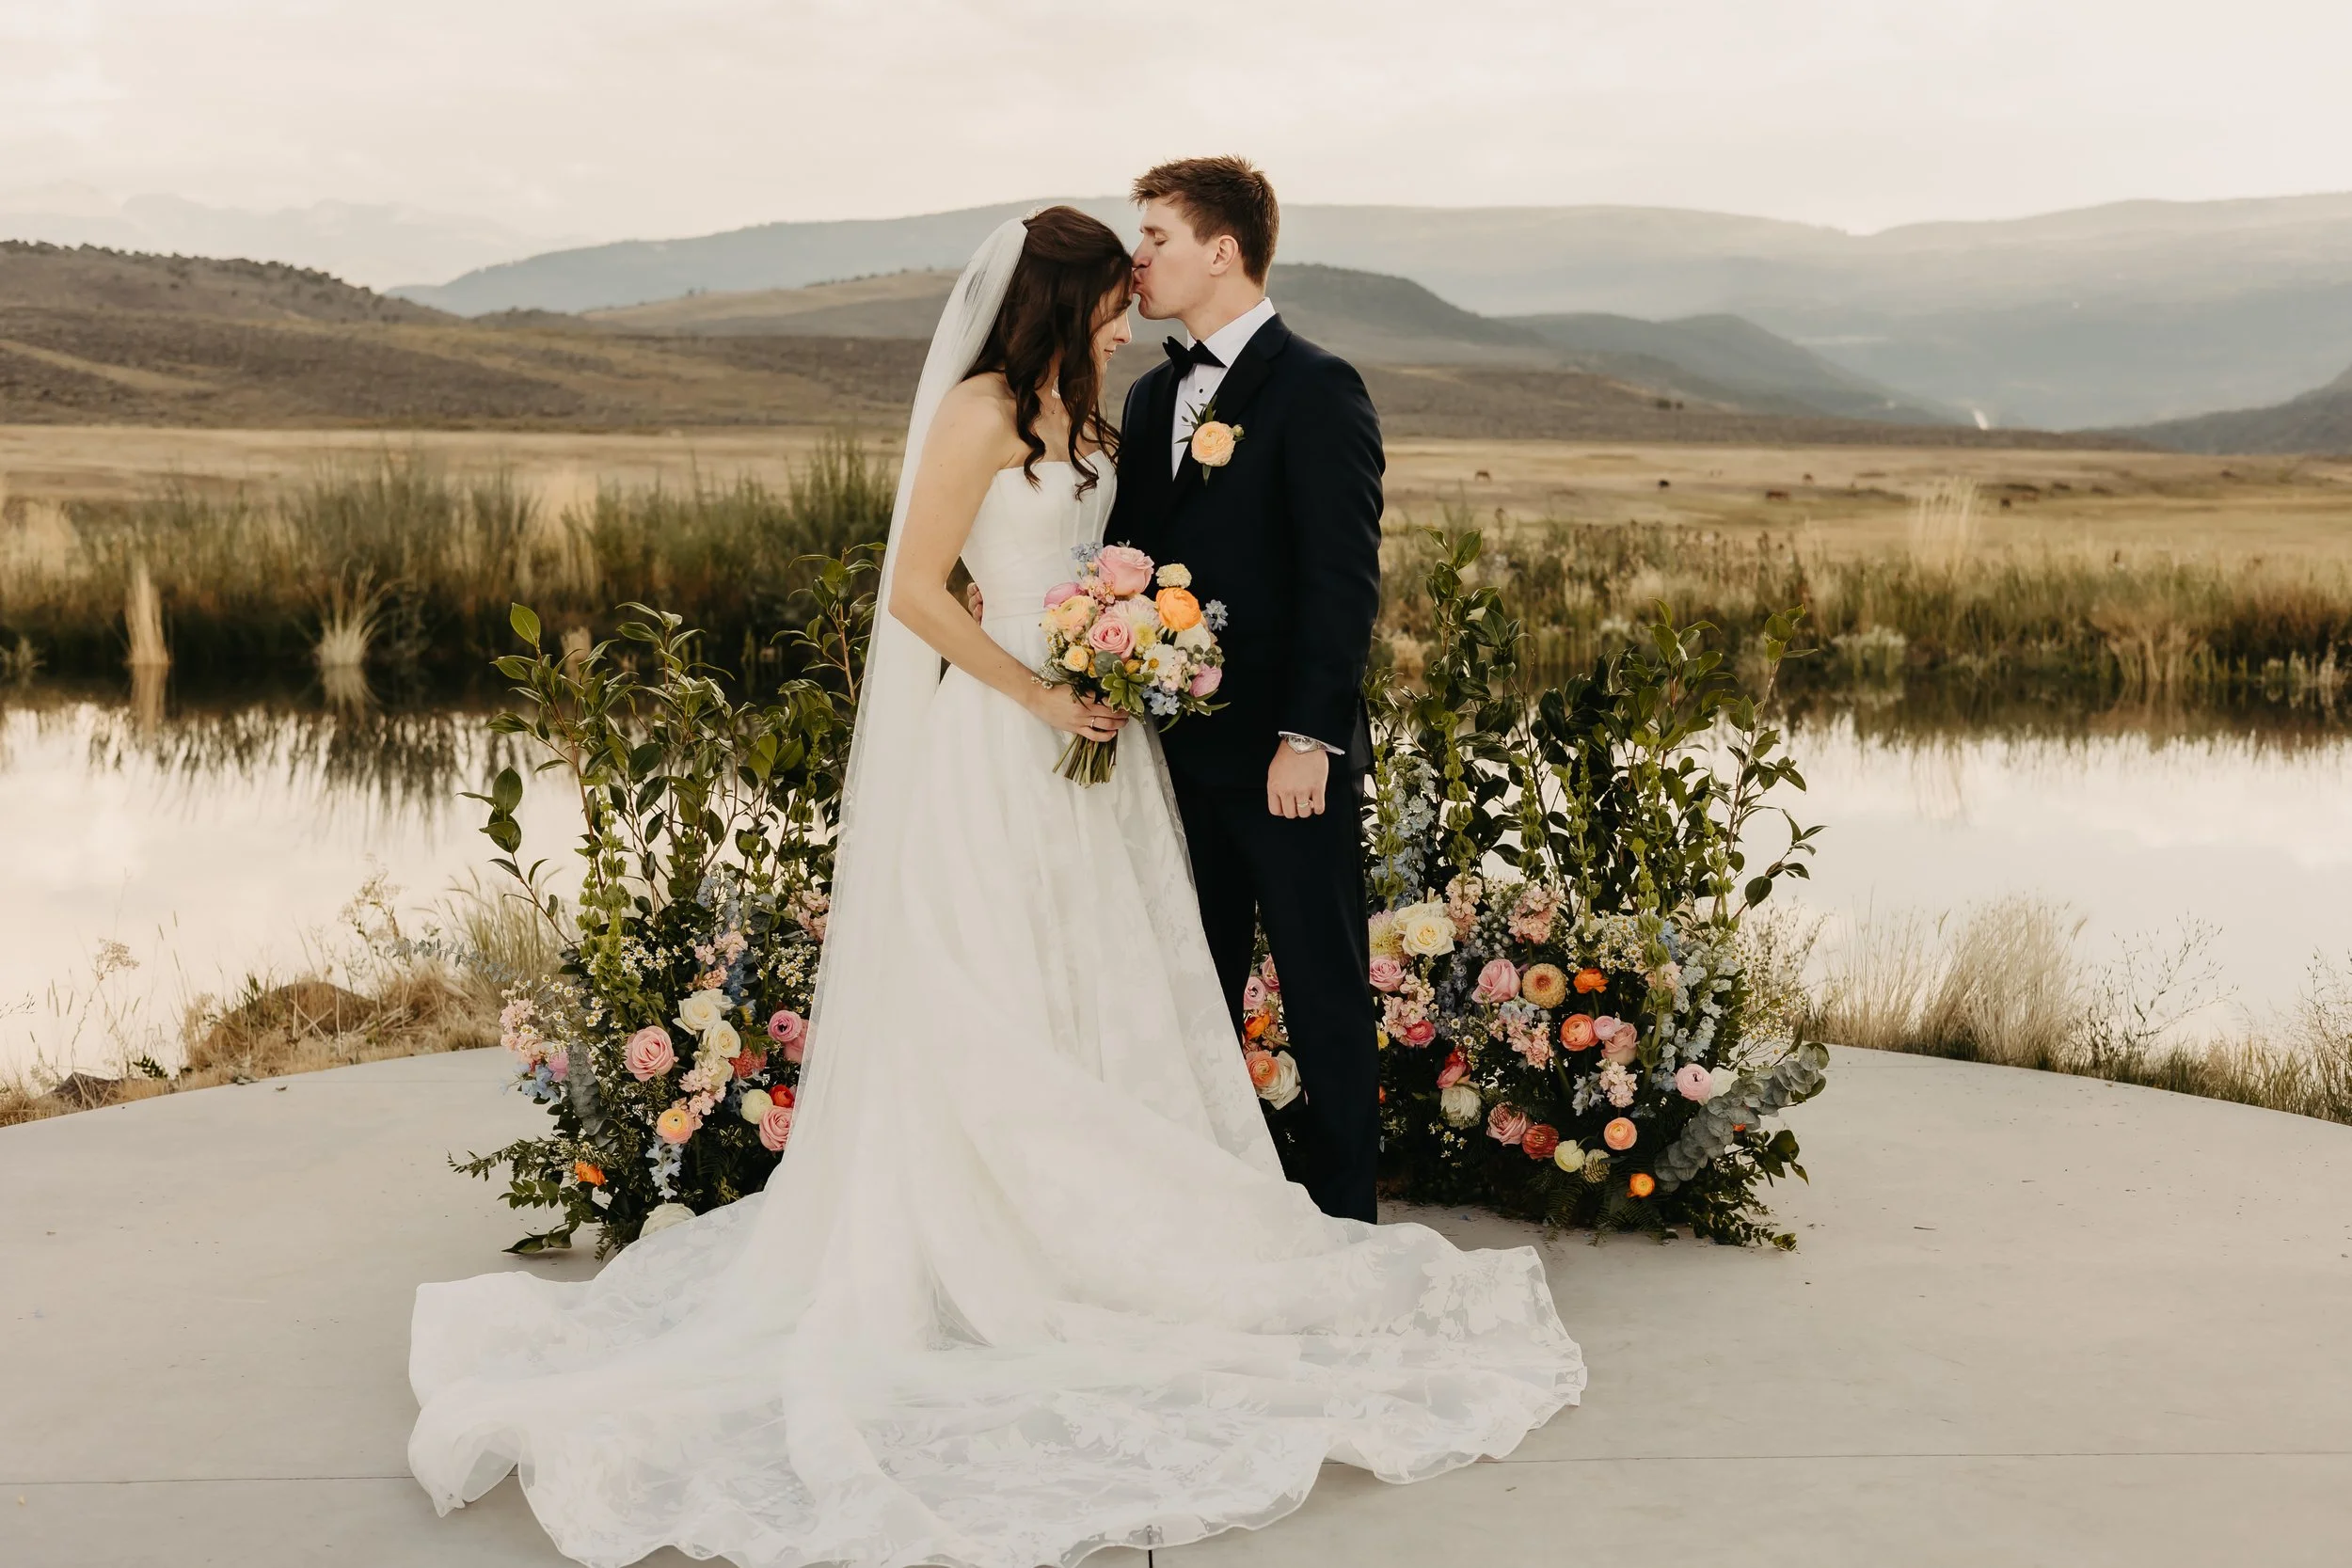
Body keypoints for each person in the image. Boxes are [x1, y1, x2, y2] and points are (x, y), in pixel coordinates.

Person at [406, 202, 1582, 1568]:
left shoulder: (1102, 411)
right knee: (992, 970)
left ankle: (1145, 1216)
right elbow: (917, 590)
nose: (1135, 287)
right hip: (1004, 727)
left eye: (1155, 250)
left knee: (1105, 968)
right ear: (1067, 294)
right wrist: (1039, 685)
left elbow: (1171, 560)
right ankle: (1004, 1235)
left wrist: (1133, 651)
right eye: (1115, 275)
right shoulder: (981, 410)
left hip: (1104, 732)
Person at [1105, 154, 1386, 1222]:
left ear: (1222, 251)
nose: (1138, 259)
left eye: (1157, 239)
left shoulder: (1318, 386)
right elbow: (1131, 555)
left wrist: (1308, 737)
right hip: (1174, 757)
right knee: (1194, 987)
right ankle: (1218, 1209)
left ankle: (1350, 1216)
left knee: (1319, 985)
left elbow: (1339, 579)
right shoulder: (1149, 395)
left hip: (1282, 759)